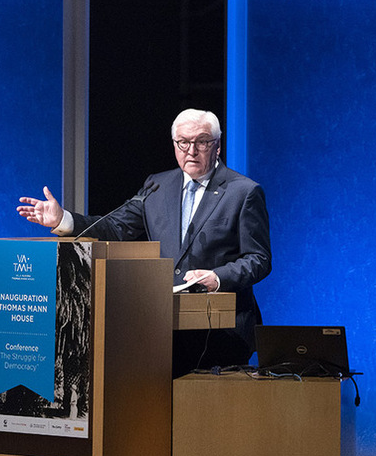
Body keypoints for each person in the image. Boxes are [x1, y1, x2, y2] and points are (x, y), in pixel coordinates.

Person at [18, 108, 271, 376]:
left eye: (202, 142)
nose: (191, 151)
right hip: (162, 324)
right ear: (175, 145)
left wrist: (217, 277)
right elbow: (115, 227)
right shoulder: (157, 186)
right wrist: (64, 220)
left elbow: (259, 259)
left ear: (217, 146)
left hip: (222, 331)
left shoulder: (243, 192)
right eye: (183, 142)